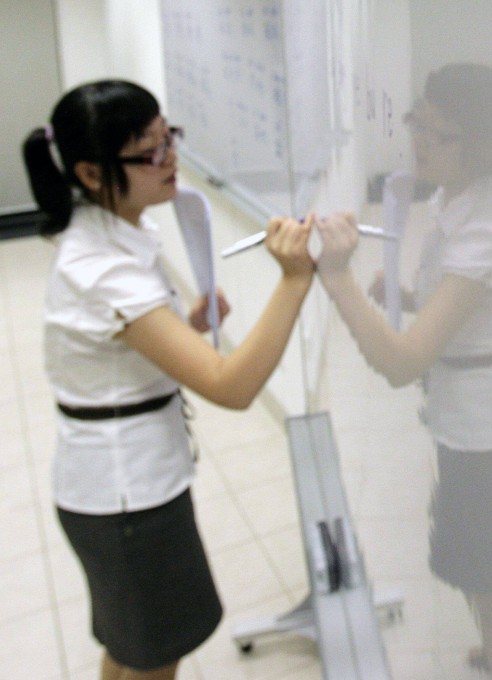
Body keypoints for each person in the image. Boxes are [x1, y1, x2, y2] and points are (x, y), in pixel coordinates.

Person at [21, 79, 335, 680]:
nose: (171, 162)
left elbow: (123, 348)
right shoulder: (101, 267)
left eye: (171, 141)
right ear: (90, 173)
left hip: (121, 488)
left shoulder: (120, 230)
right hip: (125, 501)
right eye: (150, 153)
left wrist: (179, 330)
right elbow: (231, 387)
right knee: (154, 661)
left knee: (134, 649)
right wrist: (294, 281)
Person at [317, 63, 492, 679]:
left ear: (485, 144)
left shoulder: (488, 226)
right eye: (417, 123)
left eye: (438, 134)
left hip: (489, 430)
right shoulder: (458, 200)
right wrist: (415, 296)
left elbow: (402, 362)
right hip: (484, 416)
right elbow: (470, 300)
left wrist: (339, 282)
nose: (418, 141)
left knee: (489, 581)